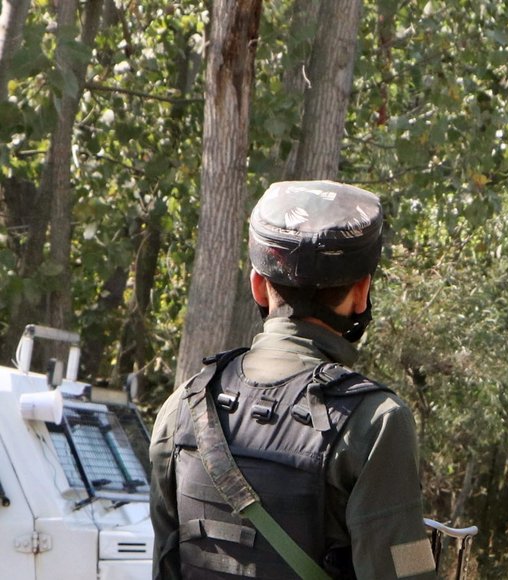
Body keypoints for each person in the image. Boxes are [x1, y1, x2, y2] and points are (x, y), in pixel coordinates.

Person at [149, 181, 436, 579]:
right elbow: (406, 571)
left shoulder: (186, 404)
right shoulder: (377, 421)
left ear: (258, 286)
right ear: (361, 293)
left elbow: (165, 561)